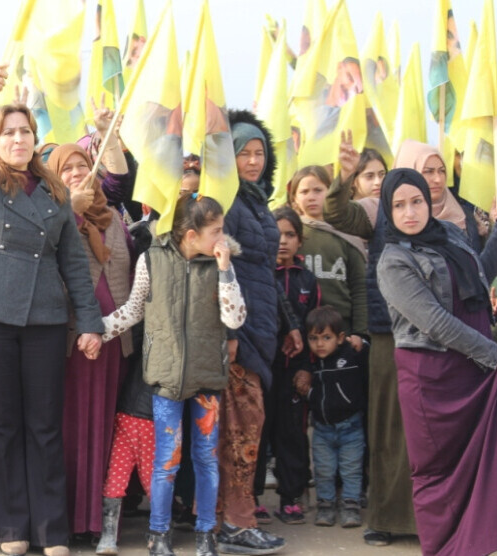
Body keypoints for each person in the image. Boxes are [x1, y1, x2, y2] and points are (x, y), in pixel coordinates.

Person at [0, 63, 103, 556]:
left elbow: (74, 263)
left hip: (45, 320)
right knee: (3, 424)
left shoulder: (55, 193)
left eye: (25, 131)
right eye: (8, 132)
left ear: (35, 139)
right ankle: (11, 527)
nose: (17, 139)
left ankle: (52, 531)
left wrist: (90, 323)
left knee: (45, 426)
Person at [323, 134, 497, 546]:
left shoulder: (453, 224)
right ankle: (388, 517)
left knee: (439, 441)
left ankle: (443, 524)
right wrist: (344, 177)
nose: (435, 179)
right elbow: (337, 212)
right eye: (426, 171)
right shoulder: (378, 214)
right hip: (395, 336)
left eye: (440, 171)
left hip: (453, 347)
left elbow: (477, 274)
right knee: (393, 429)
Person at [376, 168, 497, 556]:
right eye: (399, 205)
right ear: (388, 210)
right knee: (438, 475)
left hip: (471, 371)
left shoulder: (450, 235)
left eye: (416, 202)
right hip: (432, 378)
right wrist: (496, 356)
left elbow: (481, 274)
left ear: (428, 201)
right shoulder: (393, 261)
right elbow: (436, 322)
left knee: (478, 473)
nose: (409, 213)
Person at [101, 194, 246, 556]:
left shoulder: (221, 264)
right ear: (191, 234)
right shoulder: (151, 260)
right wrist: (96, 332)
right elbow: (133, 310)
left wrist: (226, 270)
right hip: (166, 378)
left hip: (207, 379)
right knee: (167, 460)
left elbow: (235, 318)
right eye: (216, 231)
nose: (223, 237)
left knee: (206, 459)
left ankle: (206, 534)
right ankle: (159, 534)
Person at [45, 143, 134, 539]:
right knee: (73, 427)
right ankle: (69, 519)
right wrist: (70, 210)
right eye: (66, 169)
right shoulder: (52, 215)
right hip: (75, 343)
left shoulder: (112, 217)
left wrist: (108, 140)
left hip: (114, 342)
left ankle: (99, 521)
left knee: (104, 427)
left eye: (82, 165)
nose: (77, 172)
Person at [216, 110, 284, 554]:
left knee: (246, 427)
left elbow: (265, 274)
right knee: (239, 431)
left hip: (262, 328)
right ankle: (236, 523)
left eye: (260, 152)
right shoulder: (227, 201)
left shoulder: (255, 200)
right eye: (244, 153)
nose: (254, 161)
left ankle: (229, 518)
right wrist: (228, 332)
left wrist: (288, 324)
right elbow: (218, 269)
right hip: (240, 334)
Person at [294, 306, 367, 528]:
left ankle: (351, 506)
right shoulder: (312, 364)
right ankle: (325, 506)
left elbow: (368, 352)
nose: (320, 344)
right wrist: (308, 392)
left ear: (340, 338)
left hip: (351, 428)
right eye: (313, 338)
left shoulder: (350, 355)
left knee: (351, 470)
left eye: (327, 338)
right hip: (322, 430)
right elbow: (307, 386)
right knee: (324, 470)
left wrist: (362, 341)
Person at [267, 207, 318, 525]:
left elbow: (314, 329)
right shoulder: (259, 275)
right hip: (263, 369)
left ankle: (291, 498)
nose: (282, 241)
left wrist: (306, 368)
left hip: (294, 371)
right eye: (276, 235)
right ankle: (251, 498)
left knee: (292, 435)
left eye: (290, 235)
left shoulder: (307, 280)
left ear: (300, 240)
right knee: (258, 434)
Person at [288, 165, 367, 346]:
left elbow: (359, 287)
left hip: (342, 331)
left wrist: (360, 332)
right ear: (294, 198)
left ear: (331, 193)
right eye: (304, 192)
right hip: (301, 331)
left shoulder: (347, 234)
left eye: (318, 190)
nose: (311, 197)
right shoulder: (291, 234)